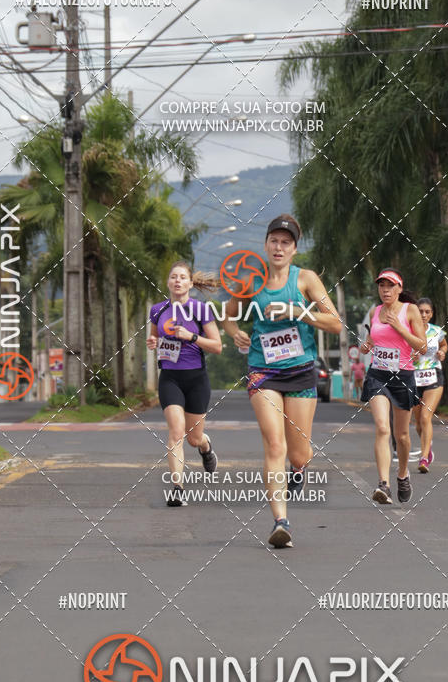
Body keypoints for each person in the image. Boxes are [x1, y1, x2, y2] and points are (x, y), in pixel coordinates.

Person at [223, 215, 342, 549]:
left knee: (300, 454)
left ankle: (299, 470)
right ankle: (280, 521)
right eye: (274, 241)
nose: (279, 247)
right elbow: (228, 317)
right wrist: (236, 334)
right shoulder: (251, 279)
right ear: (265, 244)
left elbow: (335, 323)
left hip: (301, 369)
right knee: (275, 444)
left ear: (294, 248)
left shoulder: (305, 279)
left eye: (285, 242)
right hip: (264, 369)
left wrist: (299, 312)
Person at [147, 261, 223, 506]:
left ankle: (205, 446)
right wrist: (152, 341)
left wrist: (191, 336)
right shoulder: (158, 310)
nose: (177, 281)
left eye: (182, 277)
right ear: (168, 283)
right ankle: (177, 488)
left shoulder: (200, 310)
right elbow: (155, 336)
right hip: (170, 378)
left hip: (196, 379)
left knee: (193, 437)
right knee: (176, 432)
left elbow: (217, 346)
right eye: (173, 277)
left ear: (191, 283)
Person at [359, 269, 426, 505]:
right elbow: (371, 340)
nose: (385, 290)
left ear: (399, 288)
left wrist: (399, 327)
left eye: (390, 286)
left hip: (403, 377)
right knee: (381, 427)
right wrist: (366, 347)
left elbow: (423, 346)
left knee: (403, 435)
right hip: (378, 375)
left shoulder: (410, 311)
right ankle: (383, 485)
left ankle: (402, 475)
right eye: (381, 286)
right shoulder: (374, 311)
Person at [412, 298, 448, 474]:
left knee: (426, 417)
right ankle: (428, 446)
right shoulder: (408, 330)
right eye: (420, 311)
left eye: (427, 312)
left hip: (434, 377)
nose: (424, 315)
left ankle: (424, 458)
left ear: (431, 314)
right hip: (413, 379)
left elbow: (443, 345)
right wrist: (411, 357)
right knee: (418, 423)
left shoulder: (436, 331)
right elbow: (400, 354)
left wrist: (442, 353)